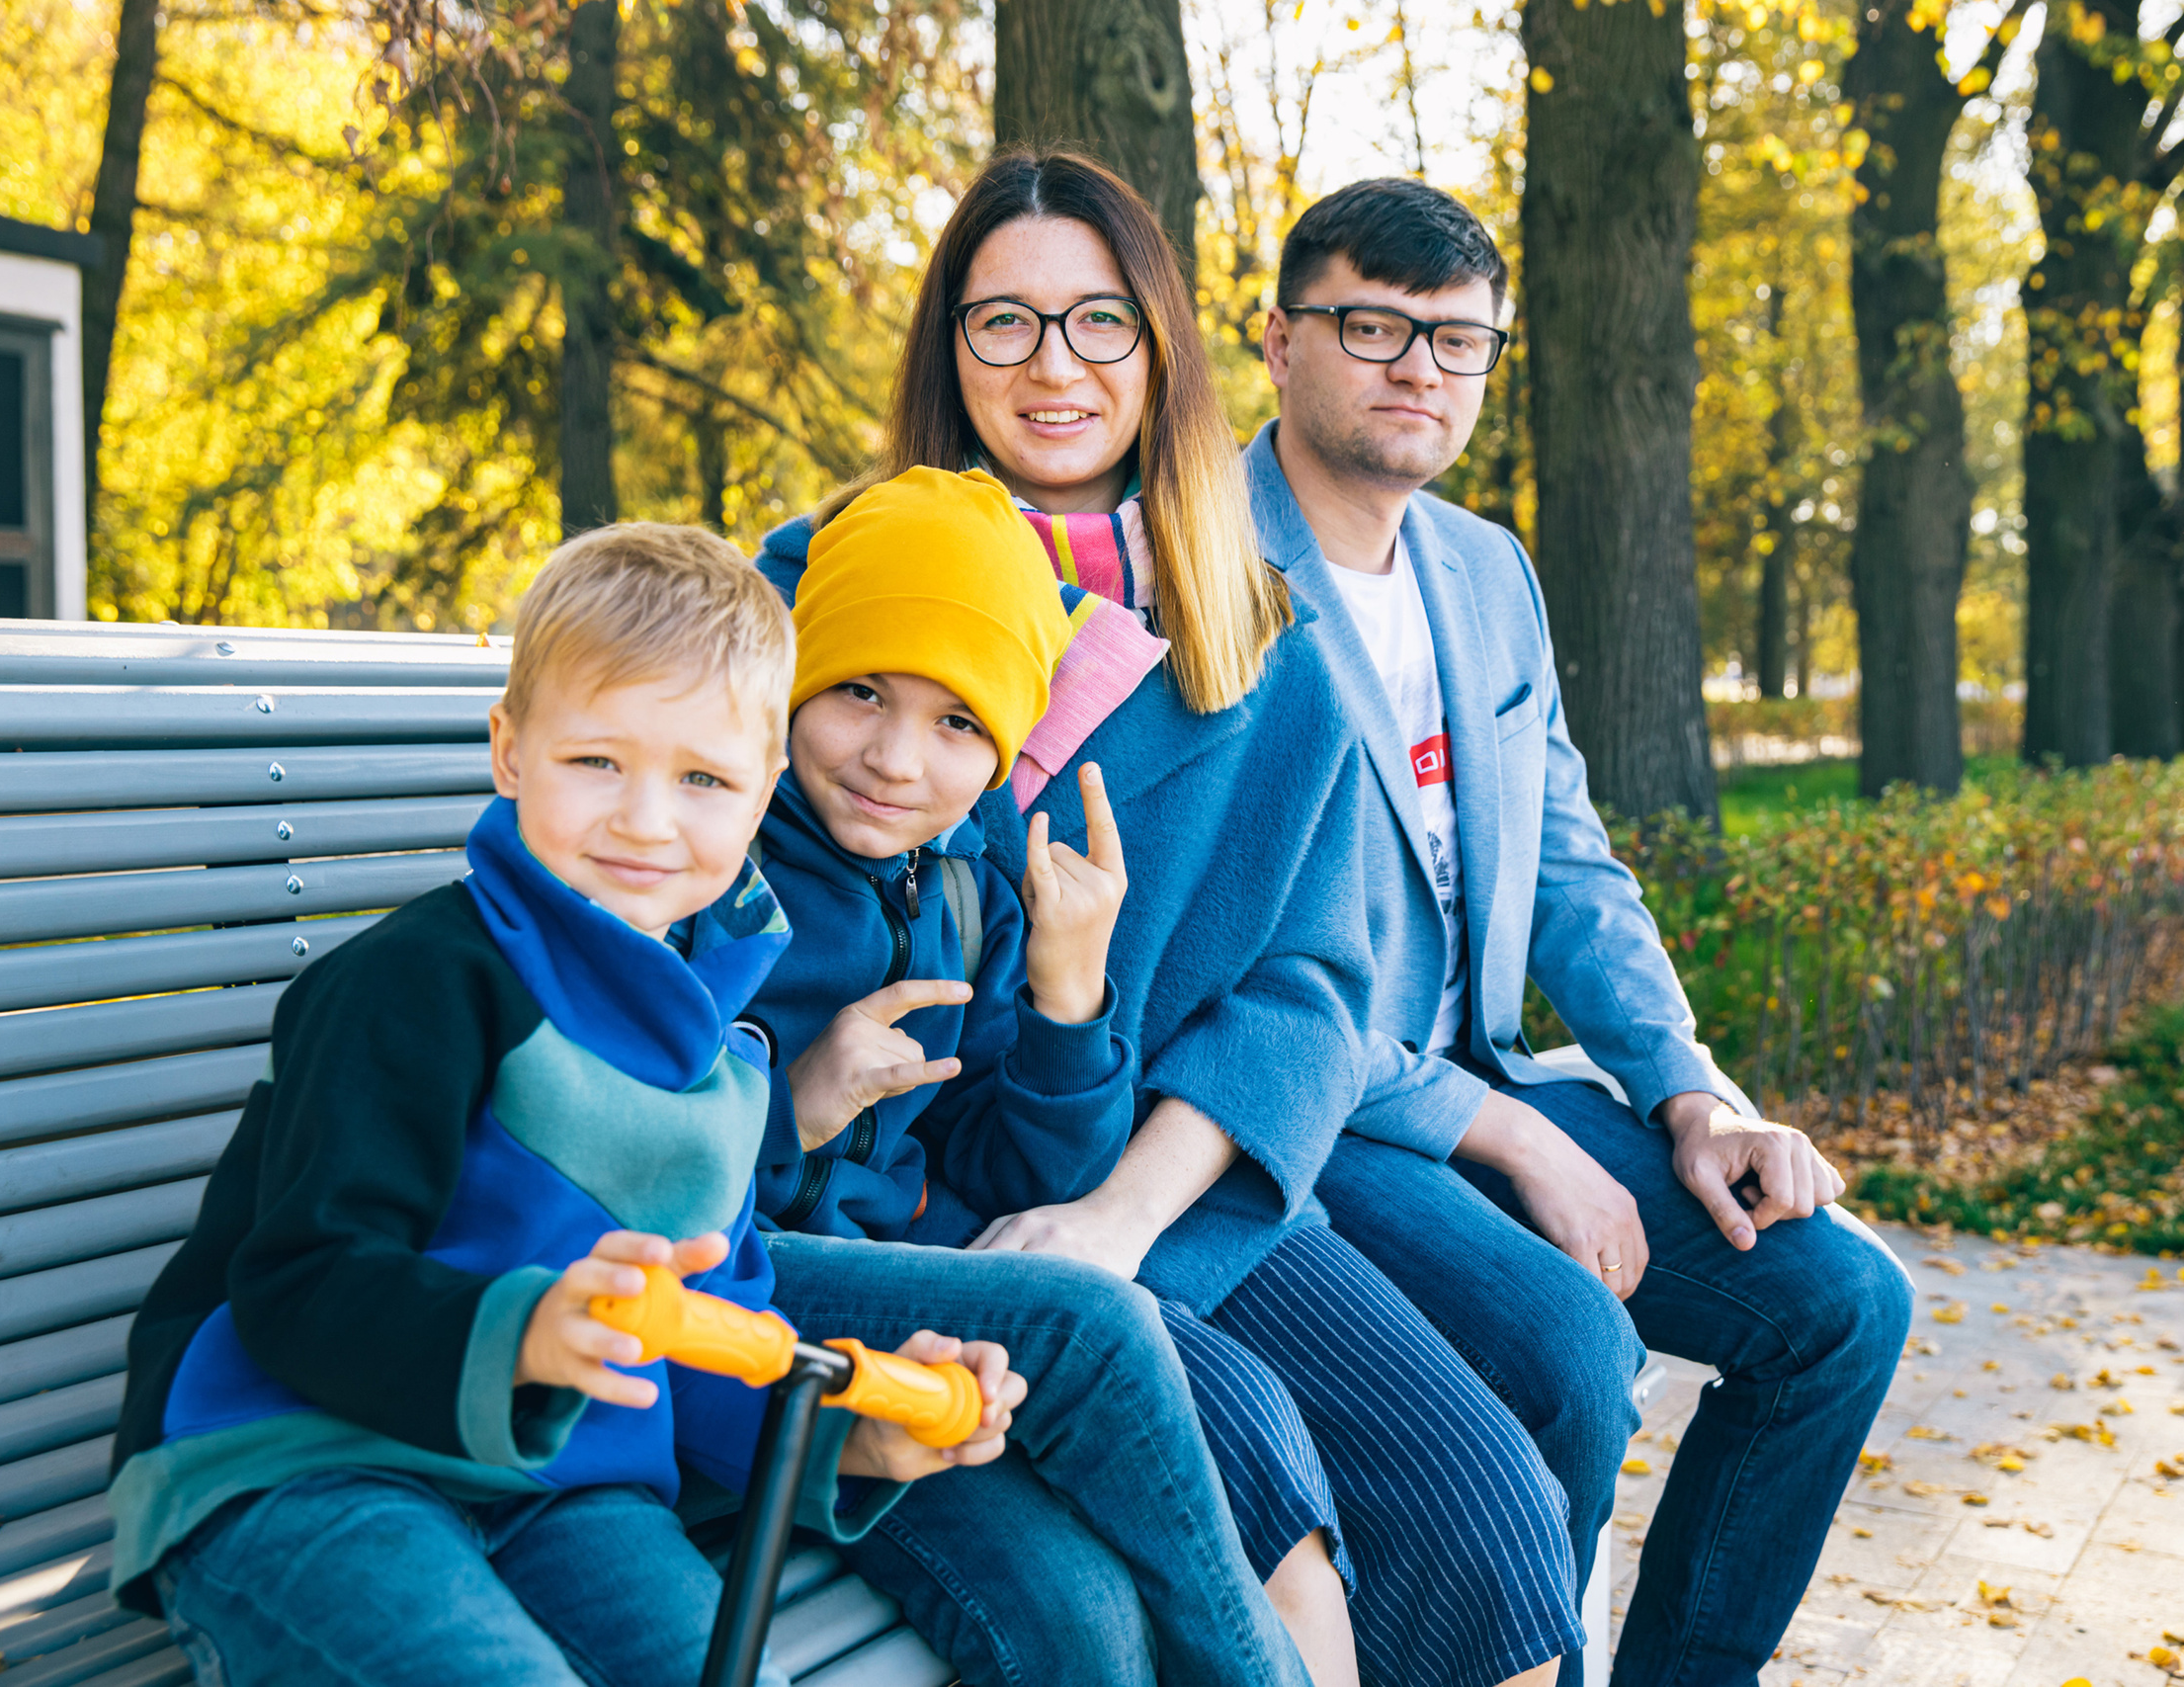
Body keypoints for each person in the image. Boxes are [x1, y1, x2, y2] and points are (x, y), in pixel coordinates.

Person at [755, 147, 1585, 1687]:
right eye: (1004, 323)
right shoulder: (830, 585)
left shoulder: (1246, 626)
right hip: (928, 1200)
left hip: (1167, 1180)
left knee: (1489, 1504)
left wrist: (1126, 1210)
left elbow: (1309, 982)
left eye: (1100, 323)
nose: (1054, 366)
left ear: (1162, 350)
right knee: (1257, 1478)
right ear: (950, 347)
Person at [103, 525, 1014, 1687]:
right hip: (307, 1461)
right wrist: (524, 1335)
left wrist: (855, 1436)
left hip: (561, 1489)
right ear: (509, 751)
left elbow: (707, 1351)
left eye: (702, 779)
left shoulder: (720, 1061)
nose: (645, 820)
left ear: (760, 795)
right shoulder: (412, 983)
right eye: (597, 762)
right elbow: (301, 1279)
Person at [1250, 178, 1916, 1687]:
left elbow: (1567, 858)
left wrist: (1693, 1095)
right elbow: (1216, 958)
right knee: (1566, 1350)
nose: (1420, 365)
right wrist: (1510, 1132)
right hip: (1303, 1105)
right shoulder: (1199, 564)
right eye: (1374, 325)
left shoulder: (1487, 570)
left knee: (1843, 1299)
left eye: (1459, 340)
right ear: (1280, 341)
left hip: (1481, 1080)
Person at [726, 464, 1316, 1686]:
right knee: (1095, 1324)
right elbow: (624, 1157)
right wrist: (798, 1111)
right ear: (793, 675)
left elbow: (1018, 1170)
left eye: (956, 724)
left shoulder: (955, 888)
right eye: (857, 693)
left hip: (906, 1338)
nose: (894, 757)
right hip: (736, 1301)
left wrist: (1065, 994)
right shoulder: (719, 869)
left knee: (1079, 1620)